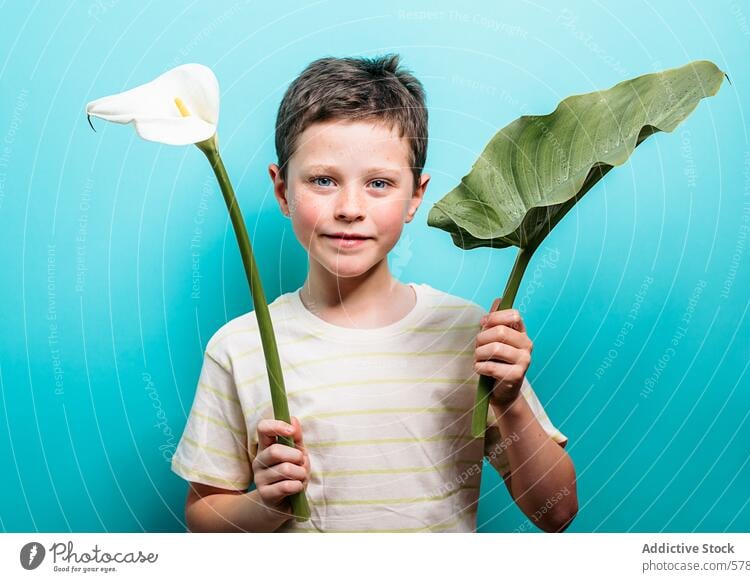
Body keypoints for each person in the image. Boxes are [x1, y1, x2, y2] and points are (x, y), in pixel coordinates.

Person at [170, 54, 578, 533]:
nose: (349, 208)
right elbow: (203, 516)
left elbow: (556, 510)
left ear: (415, 196)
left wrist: (509, 402)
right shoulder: (238, 348)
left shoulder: (469, 335)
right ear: (282, 191)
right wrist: (268, 504)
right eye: (323, 180)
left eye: (379, 184)